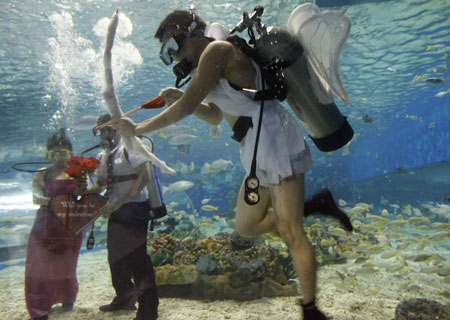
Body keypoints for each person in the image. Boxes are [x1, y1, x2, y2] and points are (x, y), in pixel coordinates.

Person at [114, 10, 352, 320]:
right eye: (166, 55)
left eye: (172, 49)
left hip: (275, 141)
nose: (174, 59)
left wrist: (137, 129)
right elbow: (214, 114)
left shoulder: (218, 50)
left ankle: (311, 310)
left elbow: (186, 108)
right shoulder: (207, 64)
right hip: (255, 148)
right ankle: (316, 205)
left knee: (292, 232)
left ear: (189, 34)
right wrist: (177, 96)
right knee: (246, 226)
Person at [82, 114, 158, 320]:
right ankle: (124, 298)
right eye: (101, 131)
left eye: (108, 130)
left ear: (118, 129)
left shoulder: (131, 146)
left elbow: (146, 172)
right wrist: (84, 190)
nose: (105, 135)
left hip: (134, 210)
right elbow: (101, 183)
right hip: (116, 211)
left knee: (137, 259)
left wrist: (124, 198)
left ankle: (148, 311)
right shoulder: (102, 155)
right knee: (116, 258)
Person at [25, 128, 82, 320]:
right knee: (39, 265)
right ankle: (39, 308)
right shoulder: (42, 174)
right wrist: (48, 201)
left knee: (67, 264)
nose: (59, 157)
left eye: (63, 152)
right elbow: (35, 197)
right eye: (55, 153)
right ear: (48, 155)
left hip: (69, 226)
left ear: (70, 154)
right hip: (45, 224)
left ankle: (67, 298)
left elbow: (86, 196)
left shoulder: (78, 174)